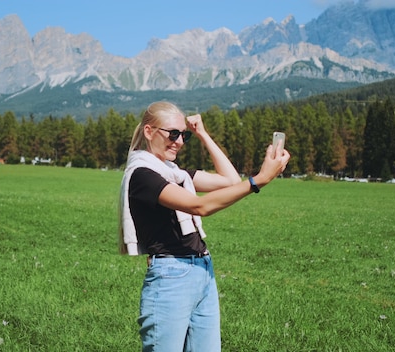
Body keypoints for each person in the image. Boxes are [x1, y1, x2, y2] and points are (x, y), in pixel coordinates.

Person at [119, 101, 290, 352]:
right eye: (173, 134)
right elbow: (200, 207)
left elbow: (229, 180)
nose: (179, 141)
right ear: (148, 131)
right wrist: (259, 180)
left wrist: (203, 134)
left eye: (184, 135)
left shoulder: (175, 173)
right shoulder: (143, 175)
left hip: (202, 271)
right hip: (171, 277)